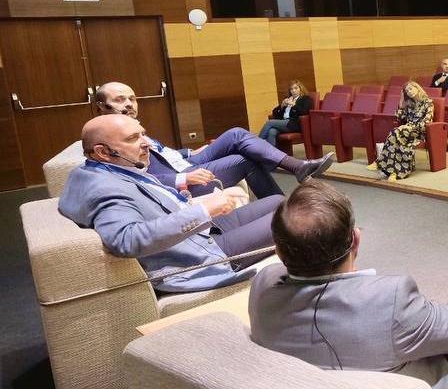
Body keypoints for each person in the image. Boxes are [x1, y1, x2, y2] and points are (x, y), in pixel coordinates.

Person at [249, 180, 448, 389]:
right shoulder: (390, 300)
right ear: (355, 239)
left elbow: (274, 272)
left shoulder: (263, 288)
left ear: (279, 251)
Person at [59, 115, 281, 292]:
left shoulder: (101, 170)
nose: (146, 143)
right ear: (102, 152)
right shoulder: (102, 187)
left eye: (143, 135)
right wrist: (203, 210)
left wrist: (191, 203)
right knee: (295, 219)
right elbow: (127, 240)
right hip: (198, 256)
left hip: (198, 234)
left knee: (279, 201)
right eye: (132, 138)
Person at [95, 82, 332, 199]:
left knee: (236, 133)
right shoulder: (107, 142)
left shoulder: (132, 128)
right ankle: (286, 196)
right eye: (119, 100)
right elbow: (134, 178)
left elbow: (159, 152)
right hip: (183, 174)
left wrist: (188, 152)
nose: (128, 104)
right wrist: (183, 178)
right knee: (245, 158)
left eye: (132, 99)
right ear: (102, 107)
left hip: (184, 160)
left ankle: (297, 167)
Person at [367, 82, 435, 182]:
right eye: (407, 91)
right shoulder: (410, 104)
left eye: (411, 89)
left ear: (417, 88)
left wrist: (410, 127)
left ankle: (379, 162)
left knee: (396, 131)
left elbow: (427, 121)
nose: (409, 92)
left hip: (420, 132)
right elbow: (399, 115)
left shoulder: (428, 102)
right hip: (405, 133)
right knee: (398, 140)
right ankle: (394, 173)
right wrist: (401, 100)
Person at [259, 80, 313, 147]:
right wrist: (281, 106)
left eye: (296, 88)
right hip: (283, 122)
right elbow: (274, 113)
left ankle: (256, 144)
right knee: (272, 131)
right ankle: (272, 154)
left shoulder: (306, 99)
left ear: (301, 89)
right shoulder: (288, 99)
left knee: (269, 122)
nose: (293, 91)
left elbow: (304, 112)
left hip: (294, 123)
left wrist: (294, 105)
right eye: (291, 89)